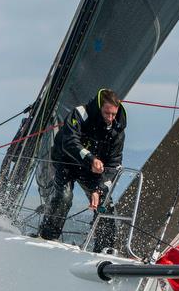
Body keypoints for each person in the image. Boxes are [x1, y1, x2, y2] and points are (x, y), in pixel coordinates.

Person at [37, 88, 126, 247]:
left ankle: (104, 249)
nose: (110, 118)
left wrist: (99, 191)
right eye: (107, 113)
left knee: (105, 205)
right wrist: (91, 159)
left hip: (92, 171)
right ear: (99, 108)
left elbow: (114, 164)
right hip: (67, 162)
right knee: (64, 196)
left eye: (113, 114)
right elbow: (69, 142)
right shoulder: (80, 113)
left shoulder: (117, 129)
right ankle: (47, 237)